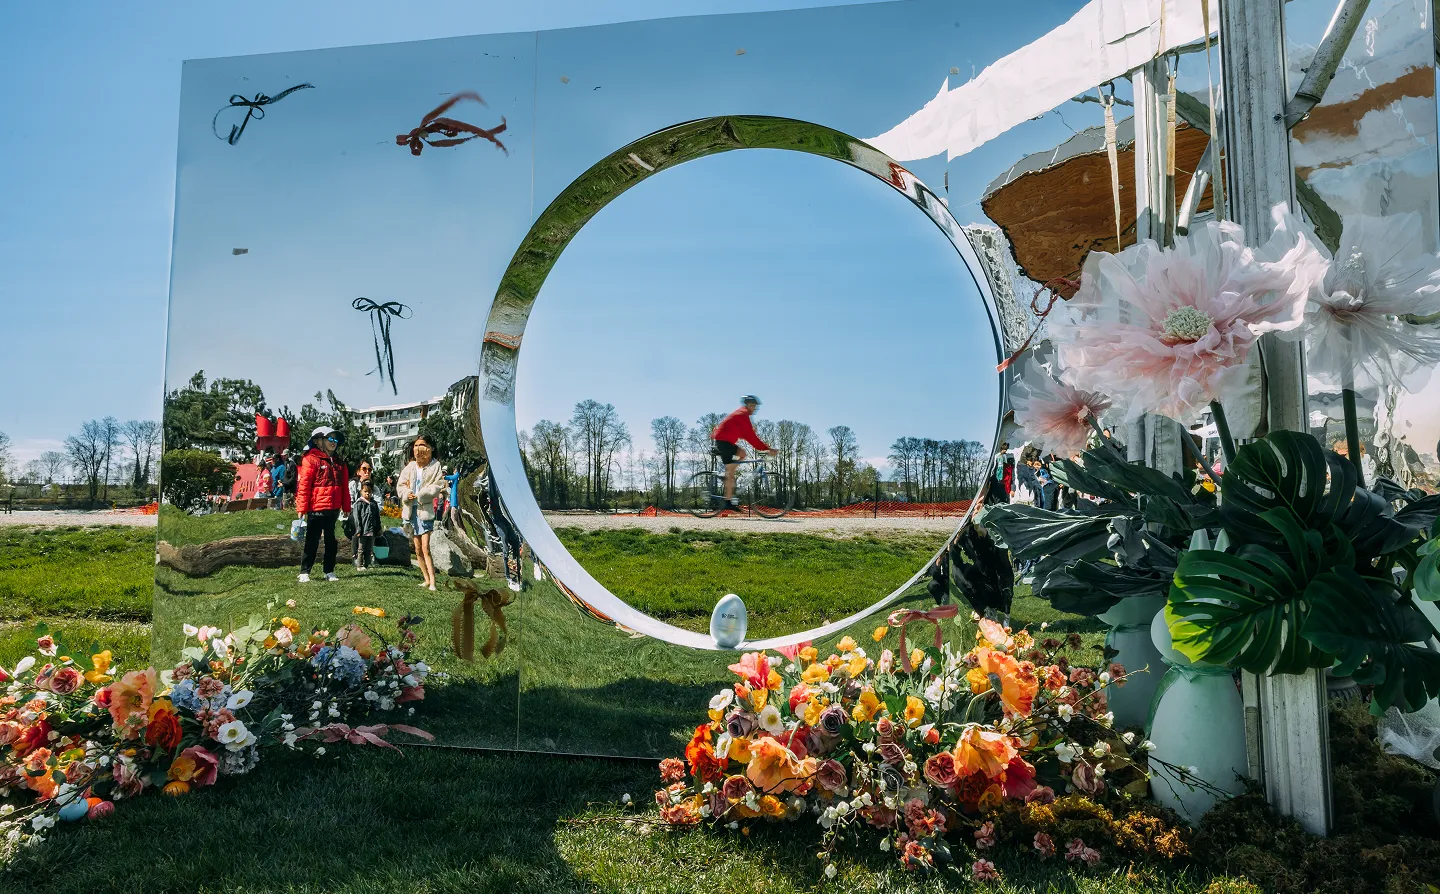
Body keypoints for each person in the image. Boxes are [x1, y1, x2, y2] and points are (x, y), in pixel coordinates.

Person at [296, 426, 352, 583]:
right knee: (312, 540)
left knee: (331, 541)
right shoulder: (310, 460)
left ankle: (329, 570)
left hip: (333, 509)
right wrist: (302, 507)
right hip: (316, 508)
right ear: (318, 441)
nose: (333, 442)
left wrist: (346, 506)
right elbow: (304, 486)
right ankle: (304, 571)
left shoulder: (340, 463)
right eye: (330, 438)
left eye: (335, 439)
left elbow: (345, 487)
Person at [397, 435, 446, 591]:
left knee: (425, 547)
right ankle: (426, 579)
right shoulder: (410, 466)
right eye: (416, 445)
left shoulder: (435, 466)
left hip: (424, 511)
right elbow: (401, 485)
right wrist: (407, 493)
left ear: (430, 448)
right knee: (417, 548)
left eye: (422, 445)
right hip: (411, 511)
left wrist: (422, 494)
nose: (418, 448)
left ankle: (433, 582)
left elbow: (437, 486)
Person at [711, 395, 774, 511]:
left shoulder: (741, 414)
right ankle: (726, 488)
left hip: (724, 441)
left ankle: (727, 499)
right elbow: (752, 438)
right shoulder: (743, 415)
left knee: (740, 457)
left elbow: (742, 433)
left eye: (755, 406)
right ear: (748, 405)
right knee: (731, 472)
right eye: (753, 406)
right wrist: (768, 449)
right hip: (724, 442)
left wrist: (755, 438)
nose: (754, 408)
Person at [350, 480, 381, 571]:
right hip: (363, 530)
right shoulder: (359, 503)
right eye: (365, 491)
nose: (367, 493)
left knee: (369, 549)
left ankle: (367, 564)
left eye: (369, 492)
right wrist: (358, 529)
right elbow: (357, 518)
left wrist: (378, 527)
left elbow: (377, 517)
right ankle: (359, 565)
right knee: (361, 549)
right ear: (361, 492)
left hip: (371, 530)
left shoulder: (374, 503)